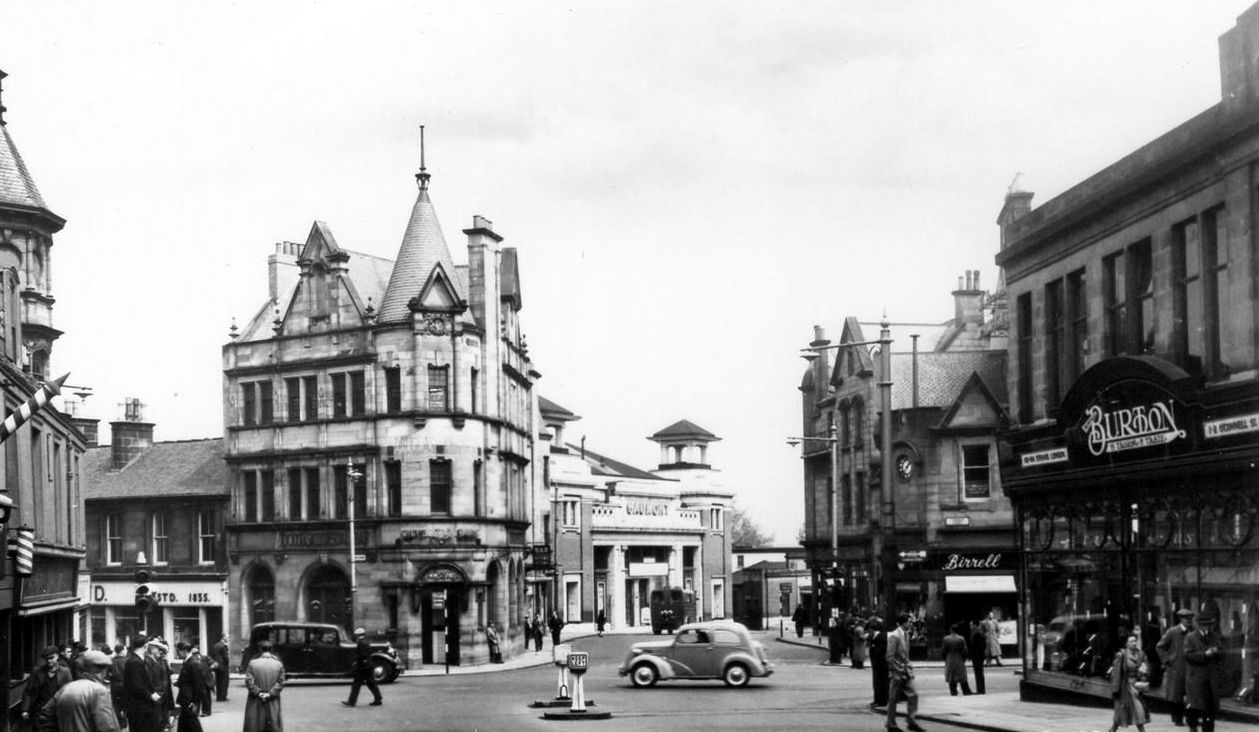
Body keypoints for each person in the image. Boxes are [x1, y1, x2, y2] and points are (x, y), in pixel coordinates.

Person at [36, 649, 119, 732]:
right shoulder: (99, 691)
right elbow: (106, 727)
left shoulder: (66, 688)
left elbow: (44, 715)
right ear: (102, 670)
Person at [1183, 603, 1226, 732]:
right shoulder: (1190, 637)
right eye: (1205, 625)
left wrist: (1217, 651)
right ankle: (1193, 728)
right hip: (1196, 680)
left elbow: (1223, 653)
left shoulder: (1214, 637)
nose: (1208, 627)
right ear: (1200, 625)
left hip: (1210, 680)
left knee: (1209, 711)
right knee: (1194, 710)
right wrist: (1204, 654)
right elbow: (1187, 655)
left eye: (1209, 625)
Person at [124, 637, 174, 732]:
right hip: (139, 707)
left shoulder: (135, 660)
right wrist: (151, 695)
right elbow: (137, 685)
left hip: (140, 706)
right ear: (146, 646)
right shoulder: (136, 662)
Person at [886, 613, 925, 732]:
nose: (911, 624)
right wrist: (897, 669)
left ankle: (911, 720)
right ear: (903, 623)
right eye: (909, 622)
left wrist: (908, 666)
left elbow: (905, 654)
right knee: (893, 699)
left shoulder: (906, 635)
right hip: (897, 672)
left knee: (913, 695)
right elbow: (889, 657)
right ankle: (891, 725)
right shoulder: (895, 636)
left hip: (906, 671)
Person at [1157, 608, 1194, 727]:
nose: (1188, 621)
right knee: (1176, 694)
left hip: (1190, 667)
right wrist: (1168, 660)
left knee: (1190, 693)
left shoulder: (1193, 631)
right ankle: (1177, 718)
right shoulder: (1173, 631)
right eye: (1186, 618)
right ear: (1181, 619)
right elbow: (1160, 646)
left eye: (1190, 618)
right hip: (1176, 667)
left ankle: (1190, 717)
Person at [21, 644, 73, 728]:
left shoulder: (65, 672)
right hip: (39, 712)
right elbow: (29, 691)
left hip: (57, 712)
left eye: (51, 658)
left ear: (57, 656)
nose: (49, 661)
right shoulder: (37, 672)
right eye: (46, 659)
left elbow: (70, 692)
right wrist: (25, 710)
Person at [1107, 632, 1149, 732]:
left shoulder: (1141, 654)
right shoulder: (1121, 655)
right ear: (1126, 643)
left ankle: (1114, 728)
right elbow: (1116, 673)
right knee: (1123, 710)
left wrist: (1143, 673)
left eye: (1135, 641)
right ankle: (1114, 728)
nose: (1134, 643)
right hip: (1125, 686)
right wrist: (1115, 689)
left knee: (1137, 710)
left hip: (1137, 685)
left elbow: (1147, 666)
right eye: (1131, 641)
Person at [244, 639, 285, 732]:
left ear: (260, 650)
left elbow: (249, 682)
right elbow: (281, 682)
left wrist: (258, 692)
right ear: (271, 650)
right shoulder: (278, 664)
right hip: (272, 700)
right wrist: (270, 693)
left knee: (255, 725)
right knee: (273, 725)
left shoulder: (253, 663)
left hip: (256, 700)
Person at [341, 628, 382, 707]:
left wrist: (358, 663)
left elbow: (363, 655)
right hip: (367, 666)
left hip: (363, 667)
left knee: (356, 685)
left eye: (356, 635)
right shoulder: (365, 641)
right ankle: (378, 699)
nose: (355, 636)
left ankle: (351, 702)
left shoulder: (361, 642)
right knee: (371, 683)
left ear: (358, 635)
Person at [175, 642, 208, 732]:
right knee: (184, 723)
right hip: (185, 699)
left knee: (192, 723)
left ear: (184, 651)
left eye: (178, 651)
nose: (177, 653)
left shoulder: (193, 663)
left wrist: (195, 702)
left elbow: (199, 685)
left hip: (189, 701)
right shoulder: (187, 661)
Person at [942, 623, 973, 696]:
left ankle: (953, 693)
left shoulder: (946, 639)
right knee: (962, 678)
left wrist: (945, 659)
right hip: (959, 659)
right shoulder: (961, 638)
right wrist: (964, 659)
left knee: (951, 678)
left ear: (951, 630)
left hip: (950, 659)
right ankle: (966, 692)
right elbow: (965, 651)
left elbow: (943, 651)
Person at [867, 616, 889, 709]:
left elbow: (880, 652)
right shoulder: (874, 637)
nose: (869, 633)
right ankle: (877, 700)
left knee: (881, 684)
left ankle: (881, 701)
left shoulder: (881, 637)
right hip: (876, 665)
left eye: (870, 630)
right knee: (876, 683)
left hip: (881, 665)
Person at [108, 643, 128, 729]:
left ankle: (118, 723)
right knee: (126, 704)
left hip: (114, 685)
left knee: (116, 705)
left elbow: (107, 675)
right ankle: (125, 722)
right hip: (125, 684)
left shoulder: (111, 661)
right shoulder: (127, 661)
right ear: (122, 651)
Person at [211, 634, 232, 703]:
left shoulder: (215, 645)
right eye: (227, 638)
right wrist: (227, 663)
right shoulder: (224, 646)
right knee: (224, 682)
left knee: (218, 681)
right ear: (224, 638)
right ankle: (223, 697)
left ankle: (218, 696)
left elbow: (213, 655)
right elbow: (225, 657)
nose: (228, 639)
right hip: (223, 666)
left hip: (217, 666)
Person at [968, 619, 987, 694]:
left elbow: (981, 646)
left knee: (979, 673)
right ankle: (980, 689)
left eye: (971, 625)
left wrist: (973, 653)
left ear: (975, 625)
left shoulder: (978, 633)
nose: (970, 626)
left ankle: (981, 690)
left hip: (978, 656)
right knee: (978, 673)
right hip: (977, 655)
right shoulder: (976, 632)